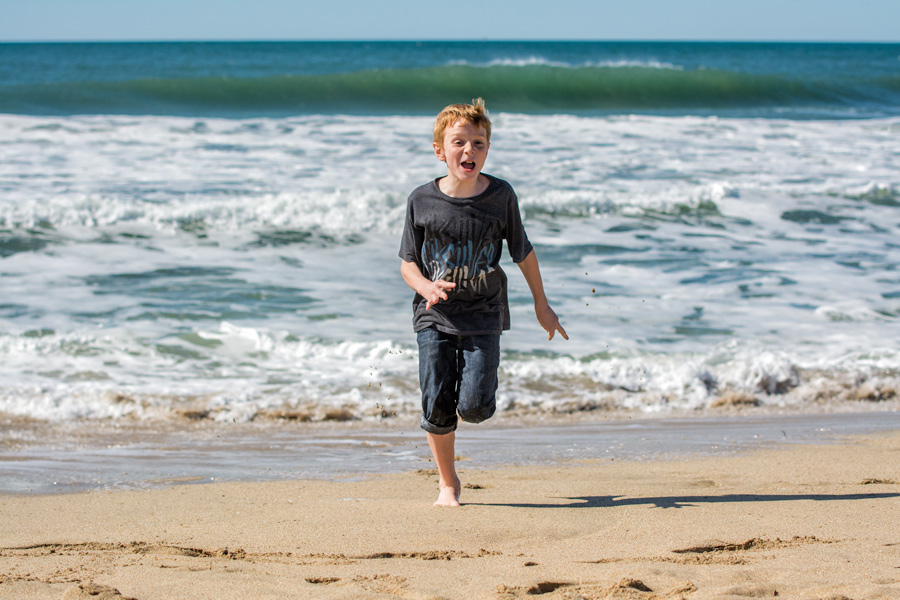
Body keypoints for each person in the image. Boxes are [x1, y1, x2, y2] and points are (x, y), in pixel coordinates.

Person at [398, 98, 568, 507]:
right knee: (437, 402)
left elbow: (523, 252)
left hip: (485, 314)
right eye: (459, 142)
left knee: (473, 407)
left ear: (487, 149)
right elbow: (407, 263)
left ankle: (475, 390)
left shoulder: (500, 196)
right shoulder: (421, 200)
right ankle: (448, 484)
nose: (469, 150)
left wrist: (542, 305)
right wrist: (425, 287)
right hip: (434, 315)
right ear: (441, 150)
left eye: (478, 143)